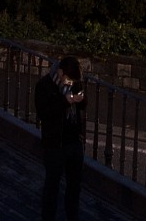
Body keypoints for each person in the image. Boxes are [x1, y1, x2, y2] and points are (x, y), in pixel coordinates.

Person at [35, 55, 88, 221]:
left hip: (73, 142)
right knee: (52, 187)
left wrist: (79, 99)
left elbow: (83, 105)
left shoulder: (74, 82)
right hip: (54, 144)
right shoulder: (45, 85)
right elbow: (44, 113)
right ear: (60, 72)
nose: (70, 82)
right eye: (68, 79)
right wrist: (65, 101)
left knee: (74, 187)